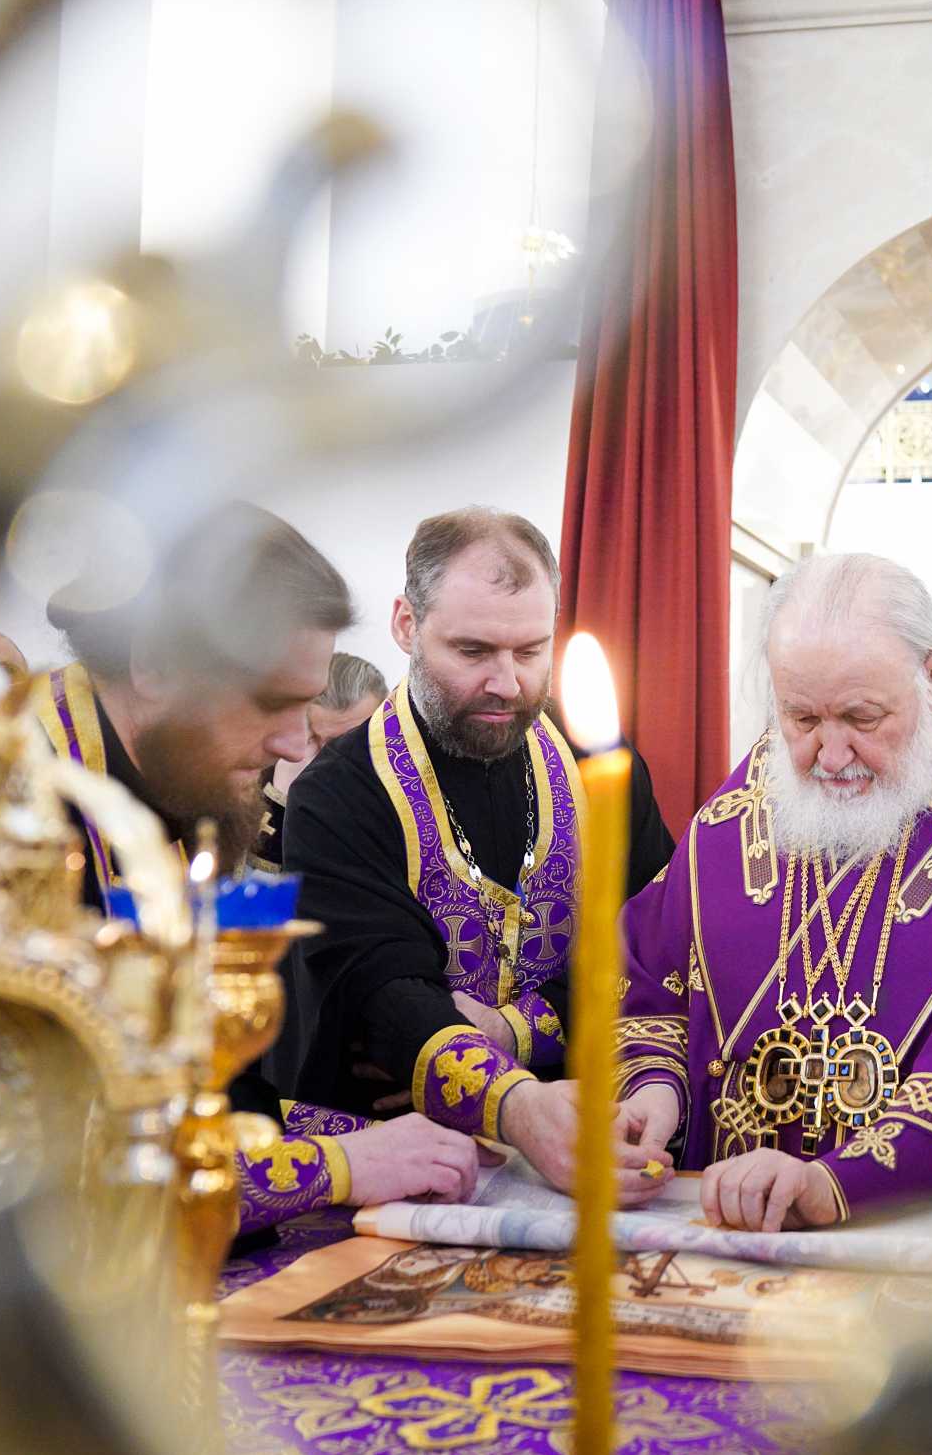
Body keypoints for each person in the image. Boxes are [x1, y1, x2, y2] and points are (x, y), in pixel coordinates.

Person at [608, 552, 932, 1231]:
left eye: (862, 717)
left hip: (920, 1245)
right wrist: (655, 1090)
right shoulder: (735, 819)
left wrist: (842, 1183)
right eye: (801, 718)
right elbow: (652, 970)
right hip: (721, 1225)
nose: (830, 755)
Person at [30, 500, 489, 1236]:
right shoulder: (14, 832)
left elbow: (217, 1103)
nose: (290, 743)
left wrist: (376, 1139)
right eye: (272, 703)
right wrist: (337, 1166)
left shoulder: (158, 801)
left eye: (305, 707)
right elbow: (58, 1176)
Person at [283, 509, 678, 1201]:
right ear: (407, 624)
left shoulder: (601, 767)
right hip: (408, 1162)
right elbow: (382, 991)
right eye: (473, 652)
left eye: (530, 651)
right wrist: (519, 1105)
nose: (508, 684)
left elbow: (652, 947)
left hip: (584, 1129)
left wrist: (512, 1029)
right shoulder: (339, 793)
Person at [257, 651, 387, 866]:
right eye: (322, 740)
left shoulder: (406, 779)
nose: (339, 756)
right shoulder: (262, 771)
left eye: (353, 740)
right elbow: (253, 888)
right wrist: (282, 797)